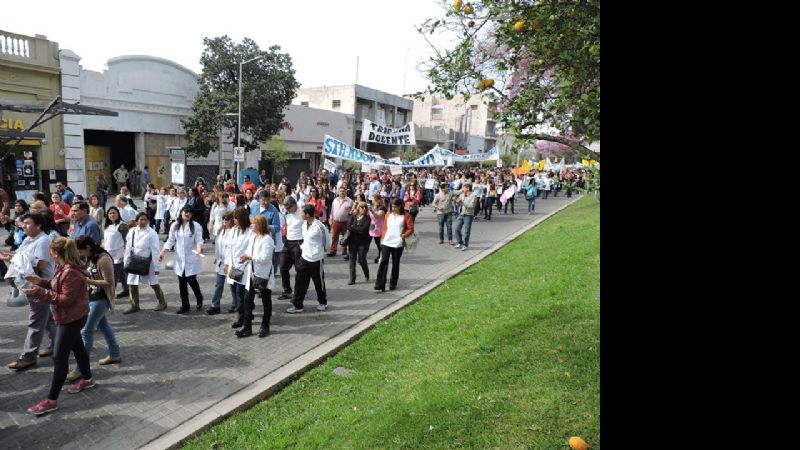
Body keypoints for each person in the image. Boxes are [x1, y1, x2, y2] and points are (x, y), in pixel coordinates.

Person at [21, 237, 94, 416]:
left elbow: (64, 299)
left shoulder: (71, 272)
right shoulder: (62, 267)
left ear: (55, 253)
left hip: (71, 318)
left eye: (50, 251)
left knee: (59, 358)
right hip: (70, 316)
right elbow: (56, 286)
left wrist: (40, 292)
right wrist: (40, 281)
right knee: (78, 348)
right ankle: (88, 379)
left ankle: (51, 400)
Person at [2, 213, 56, 370]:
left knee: (35, 321)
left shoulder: (44, 240)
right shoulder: (28, 239)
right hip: (30, 283)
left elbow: (43, 265)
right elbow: (19, 255)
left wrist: (21, 259)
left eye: (27, 223)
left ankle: (28, 356)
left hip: (40, 286)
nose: (23, 226)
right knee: (49, 319)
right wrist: (8, 256)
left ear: (38, 225)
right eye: (23, 223)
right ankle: (59, 344)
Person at [65, 236, 121, 383]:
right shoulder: (90, 257)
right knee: (104, 325)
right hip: (92, 297)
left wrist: (87, 280)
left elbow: (109, 283)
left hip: (101, 299)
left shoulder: (104, 259)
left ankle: (80, 368)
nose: (80, 254)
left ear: (89, 247)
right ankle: (115, 354)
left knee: (86, 331)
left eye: (81, 251)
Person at [235, 214, 275, 337]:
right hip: (251, 274)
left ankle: (265, 326)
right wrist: (244, 257)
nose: (251, 225)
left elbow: (265, 258)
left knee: (265, 300)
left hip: (262, 275)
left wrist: (250, 257)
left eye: (254, 223)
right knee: (247, 300)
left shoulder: (267, 239)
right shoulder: (253, 237)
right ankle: (247, 327)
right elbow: (248, 251)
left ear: (260, 225)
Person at [160, 206, 204, 314]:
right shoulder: (175, 225)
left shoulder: (196, 226)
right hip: (180, 259)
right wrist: (162, 253)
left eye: (190, 212)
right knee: (182, 282)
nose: (187, 214)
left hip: (192, 258)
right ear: (181, 212)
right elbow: (170, 241)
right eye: (185, 211)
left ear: (192, 215)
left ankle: (199, 297)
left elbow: (199, 240)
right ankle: (185, 305)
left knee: (192, 280)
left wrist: (199, 249)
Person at [286, 204, 328, 314]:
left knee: (318, 282)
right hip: (304, 257)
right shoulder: (304, 224)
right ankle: (298, 305)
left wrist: (319, 251)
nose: (300, 214)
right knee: (300, 281)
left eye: (302, 213)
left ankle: (322, 302)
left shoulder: (320, 226)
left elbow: (326, 242)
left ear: (308, 215)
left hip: (316, 259)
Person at [123, 212, 166, 313]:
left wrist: (156, 267)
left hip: (148, 262)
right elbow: (128, 248)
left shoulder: (152, 233)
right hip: (133, 261)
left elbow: (155, 251)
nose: (143, 222)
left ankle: (162, 302)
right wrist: (126, 262)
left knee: (153, 282)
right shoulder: (132, 232)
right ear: (136, 221)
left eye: (145, 220)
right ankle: (134, 305)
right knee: (132, 283)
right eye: (141, 219)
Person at [373, 199, 414, 293]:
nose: (393, 208)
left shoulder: (406, 216)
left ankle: (393, 283)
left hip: (398, 243)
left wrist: (404, 235)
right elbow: (384, 227)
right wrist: (382, 238)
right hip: (386, 241)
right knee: (383, 261)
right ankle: (380, 284)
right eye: (392, 206)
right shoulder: (388, 215)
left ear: (400, 206)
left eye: (395, 206)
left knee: (395, 262)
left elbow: (410, 228)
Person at [226, 208, 253, 321]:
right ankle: (244, 314)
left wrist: (244, 262)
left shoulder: (250, 232)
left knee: (242, 294)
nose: (235, 220)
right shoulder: (232, 231)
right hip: (234, 267)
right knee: (236, 293)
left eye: (237, 218)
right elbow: (228, 248)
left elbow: (251, 250)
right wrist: (227, 264)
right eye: (234, 218)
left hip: (246, 268)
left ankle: (242, 317)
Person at [206, 211, 234, 315]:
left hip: (231, 263)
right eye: (223, 219)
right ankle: (215, 305)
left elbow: (231, 248)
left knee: (233, 285)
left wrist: (227, 262)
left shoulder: (233, 232)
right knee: (218, 284)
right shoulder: (221, 231)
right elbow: (219, 246)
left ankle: (237, 304)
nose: (224, 221)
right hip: (221, 262)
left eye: (227, 219)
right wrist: (216, 257)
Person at [278, 196, 303, 301]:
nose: (287, 210)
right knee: (283, 266)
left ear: (295, 204)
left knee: (299, 269)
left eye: (289, 208)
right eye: (286, 208)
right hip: (288, 242)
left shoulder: (302, 213)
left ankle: (299, 291)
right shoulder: (288, 213)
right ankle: (287, 290)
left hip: (299, 242)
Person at [102, 207, 130, 299]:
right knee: (122, 273)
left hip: (119, 254)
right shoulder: (108, 226)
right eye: (110, 213)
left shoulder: (122, 225)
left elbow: (128, 241)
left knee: (113, 275)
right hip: (108, 253)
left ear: (118, 214)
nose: (112, 215)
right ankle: (126, 290)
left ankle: (110, 294)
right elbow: (106, 240)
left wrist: (125, 253)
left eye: (114, 213)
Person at [346, 202, 371, 285]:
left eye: (365, 207)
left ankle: (366, 273)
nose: (364, 209)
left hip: (363, 242)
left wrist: (354, 228)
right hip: (352, 242)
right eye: (362, 207)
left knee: (361, 260)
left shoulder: (368, 219)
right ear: (358, 208)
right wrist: (357, 229)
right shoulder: (353, 217)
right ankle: (352, 279)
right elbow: (348, 227)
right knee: (352, 260)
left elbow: (364, 230)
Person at [328, 187, 353, 258]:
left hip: (345, 222)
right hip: (335, 221)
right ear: (338, 192)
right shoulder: (335, 200)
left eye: (343, 191)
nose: (342, 192)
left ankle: (344, 250)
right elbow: (332, 210)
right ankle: (333, 250)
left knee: (345, 237)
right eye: (340, 191)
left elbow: (353, 210)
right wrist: (330, 218)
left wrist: (351, 213)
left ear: (345, 192)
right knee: (334, 236)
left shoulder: (350, 201)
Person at [454, 183, 478, 251]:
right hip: (462, 214)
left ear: (467, 188)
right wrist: (456, 201)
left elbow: (472, 206)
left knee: (467, 231)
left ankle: (465, 244)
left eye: (463, 188)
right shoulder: (462, 195)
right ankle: (460, 242)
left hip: (469, 215)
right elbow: (459, 204)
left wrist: (463, 202)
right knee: (457, 228)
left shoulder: (473, 196)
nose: (462, 189)